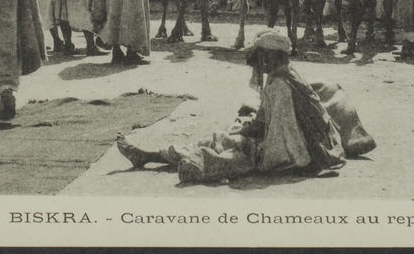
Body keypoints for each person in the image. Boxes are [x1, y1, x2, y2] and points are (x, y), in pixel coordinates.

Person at [115, 29, 346, 183]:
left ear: (270, 57)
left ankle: (176, 161)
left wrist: (247, 134)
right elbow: (271, 122)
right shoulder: (287, 76)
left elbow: (282, 142)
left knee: (231, 149)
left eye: (261, 59)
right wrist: (247, 127)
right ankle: (150, 156)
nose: (259, 66)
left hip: (292, 151)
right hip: (289, 143)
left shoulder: (280, 85)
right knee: (220, 140)